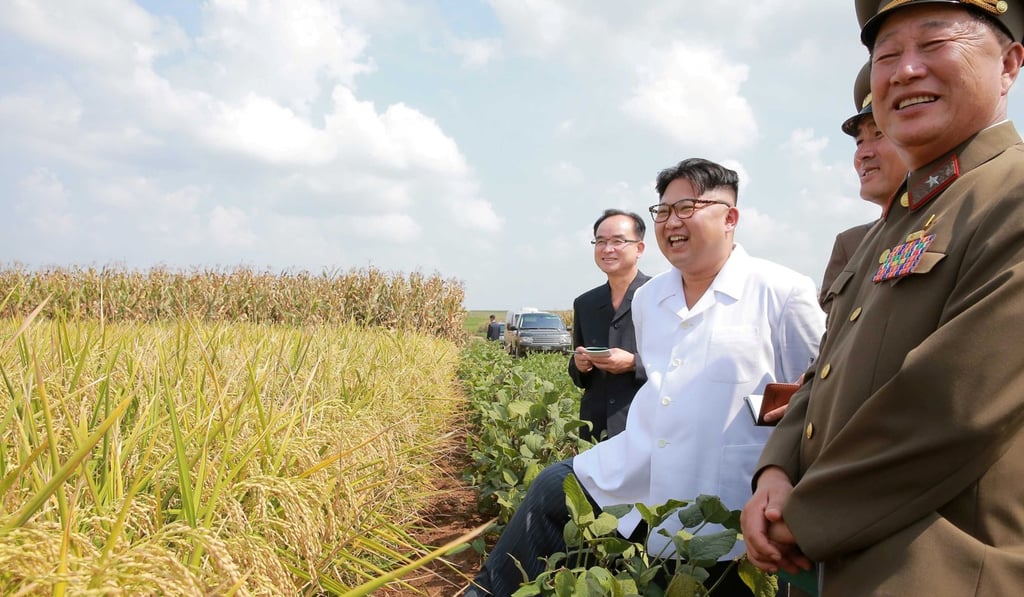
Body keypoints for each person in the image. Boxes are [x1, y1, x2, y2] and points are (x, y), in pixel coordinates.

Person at [742, 2, 1024, 595]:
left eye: (934, 44)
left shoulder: (1010, 195)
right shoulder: (895, 224)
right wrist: (776, 470)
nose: (905, 70)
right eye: (887, 55)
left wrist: (805, 515)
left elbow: (953, 405)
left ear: (1009, 65)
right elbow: (825, 369)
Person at [465, 158, 825, 596]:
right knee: (553, 489)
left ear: (730, 218)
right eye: (663, 211)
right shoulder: (651, 298)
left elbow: (822, 391)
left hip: (728, 481)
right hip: (644, 462)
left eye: (687, 208)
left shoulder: (782, 291)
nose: (672, 222)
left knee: (709, 580)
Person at [818, 61, 906, 311]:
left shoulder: (957, 219)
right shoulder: (852, 243)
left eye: (878, 134)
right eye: (859, 142)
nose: (863, 154)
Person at [568, 209, 651, 442]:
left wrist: (634, 363)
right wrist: (580, 365)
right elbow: (578, 373)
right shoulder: (585, 303)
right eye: (601, 242)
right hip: (596, 429)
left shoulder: (660, 296)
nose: (607, 249)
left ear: (639, 248)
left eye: (617, 241)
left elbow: (681, 364)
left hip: (645, 424)